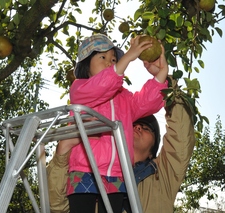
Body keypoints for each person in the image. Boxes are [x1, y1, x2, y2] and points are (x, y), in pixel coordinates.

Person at [47, 87, 196, 213]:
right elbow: (56, 206)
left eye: (146, 128)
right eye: (133, 124)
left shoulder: (162, 176)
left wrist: (169, 88)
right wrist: (62, 152)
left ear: (152, 151)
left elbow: (181, 138)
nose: (138, 127)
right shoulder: (91, 172)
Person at [67, 34, 168, 213]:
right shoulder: (80, 88)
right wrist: (128, 57)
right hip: (85, 168)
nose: (109, 62)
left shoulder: (123, 97)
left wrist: (161, 73)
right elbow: (102, 85)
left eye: (113, 59)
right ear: (86, 64)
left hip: (117, 172)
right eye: (102, 57)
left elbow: (146, 102)